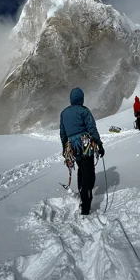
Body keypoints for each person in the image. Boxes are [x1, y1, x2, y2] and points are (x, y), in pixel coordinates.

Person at [60, 87, 104, 215]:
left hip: (72, 147)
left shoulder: (63, 113)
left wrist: (65, 148)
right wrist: (100, 145)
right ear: (81, 98)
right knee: (88, 171)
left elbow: (63, 134)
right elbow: (92, 129)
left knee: (81, 169)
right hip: (85, 145)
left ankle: (82, 194)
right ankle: (86, 204)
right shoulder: (84, 111)